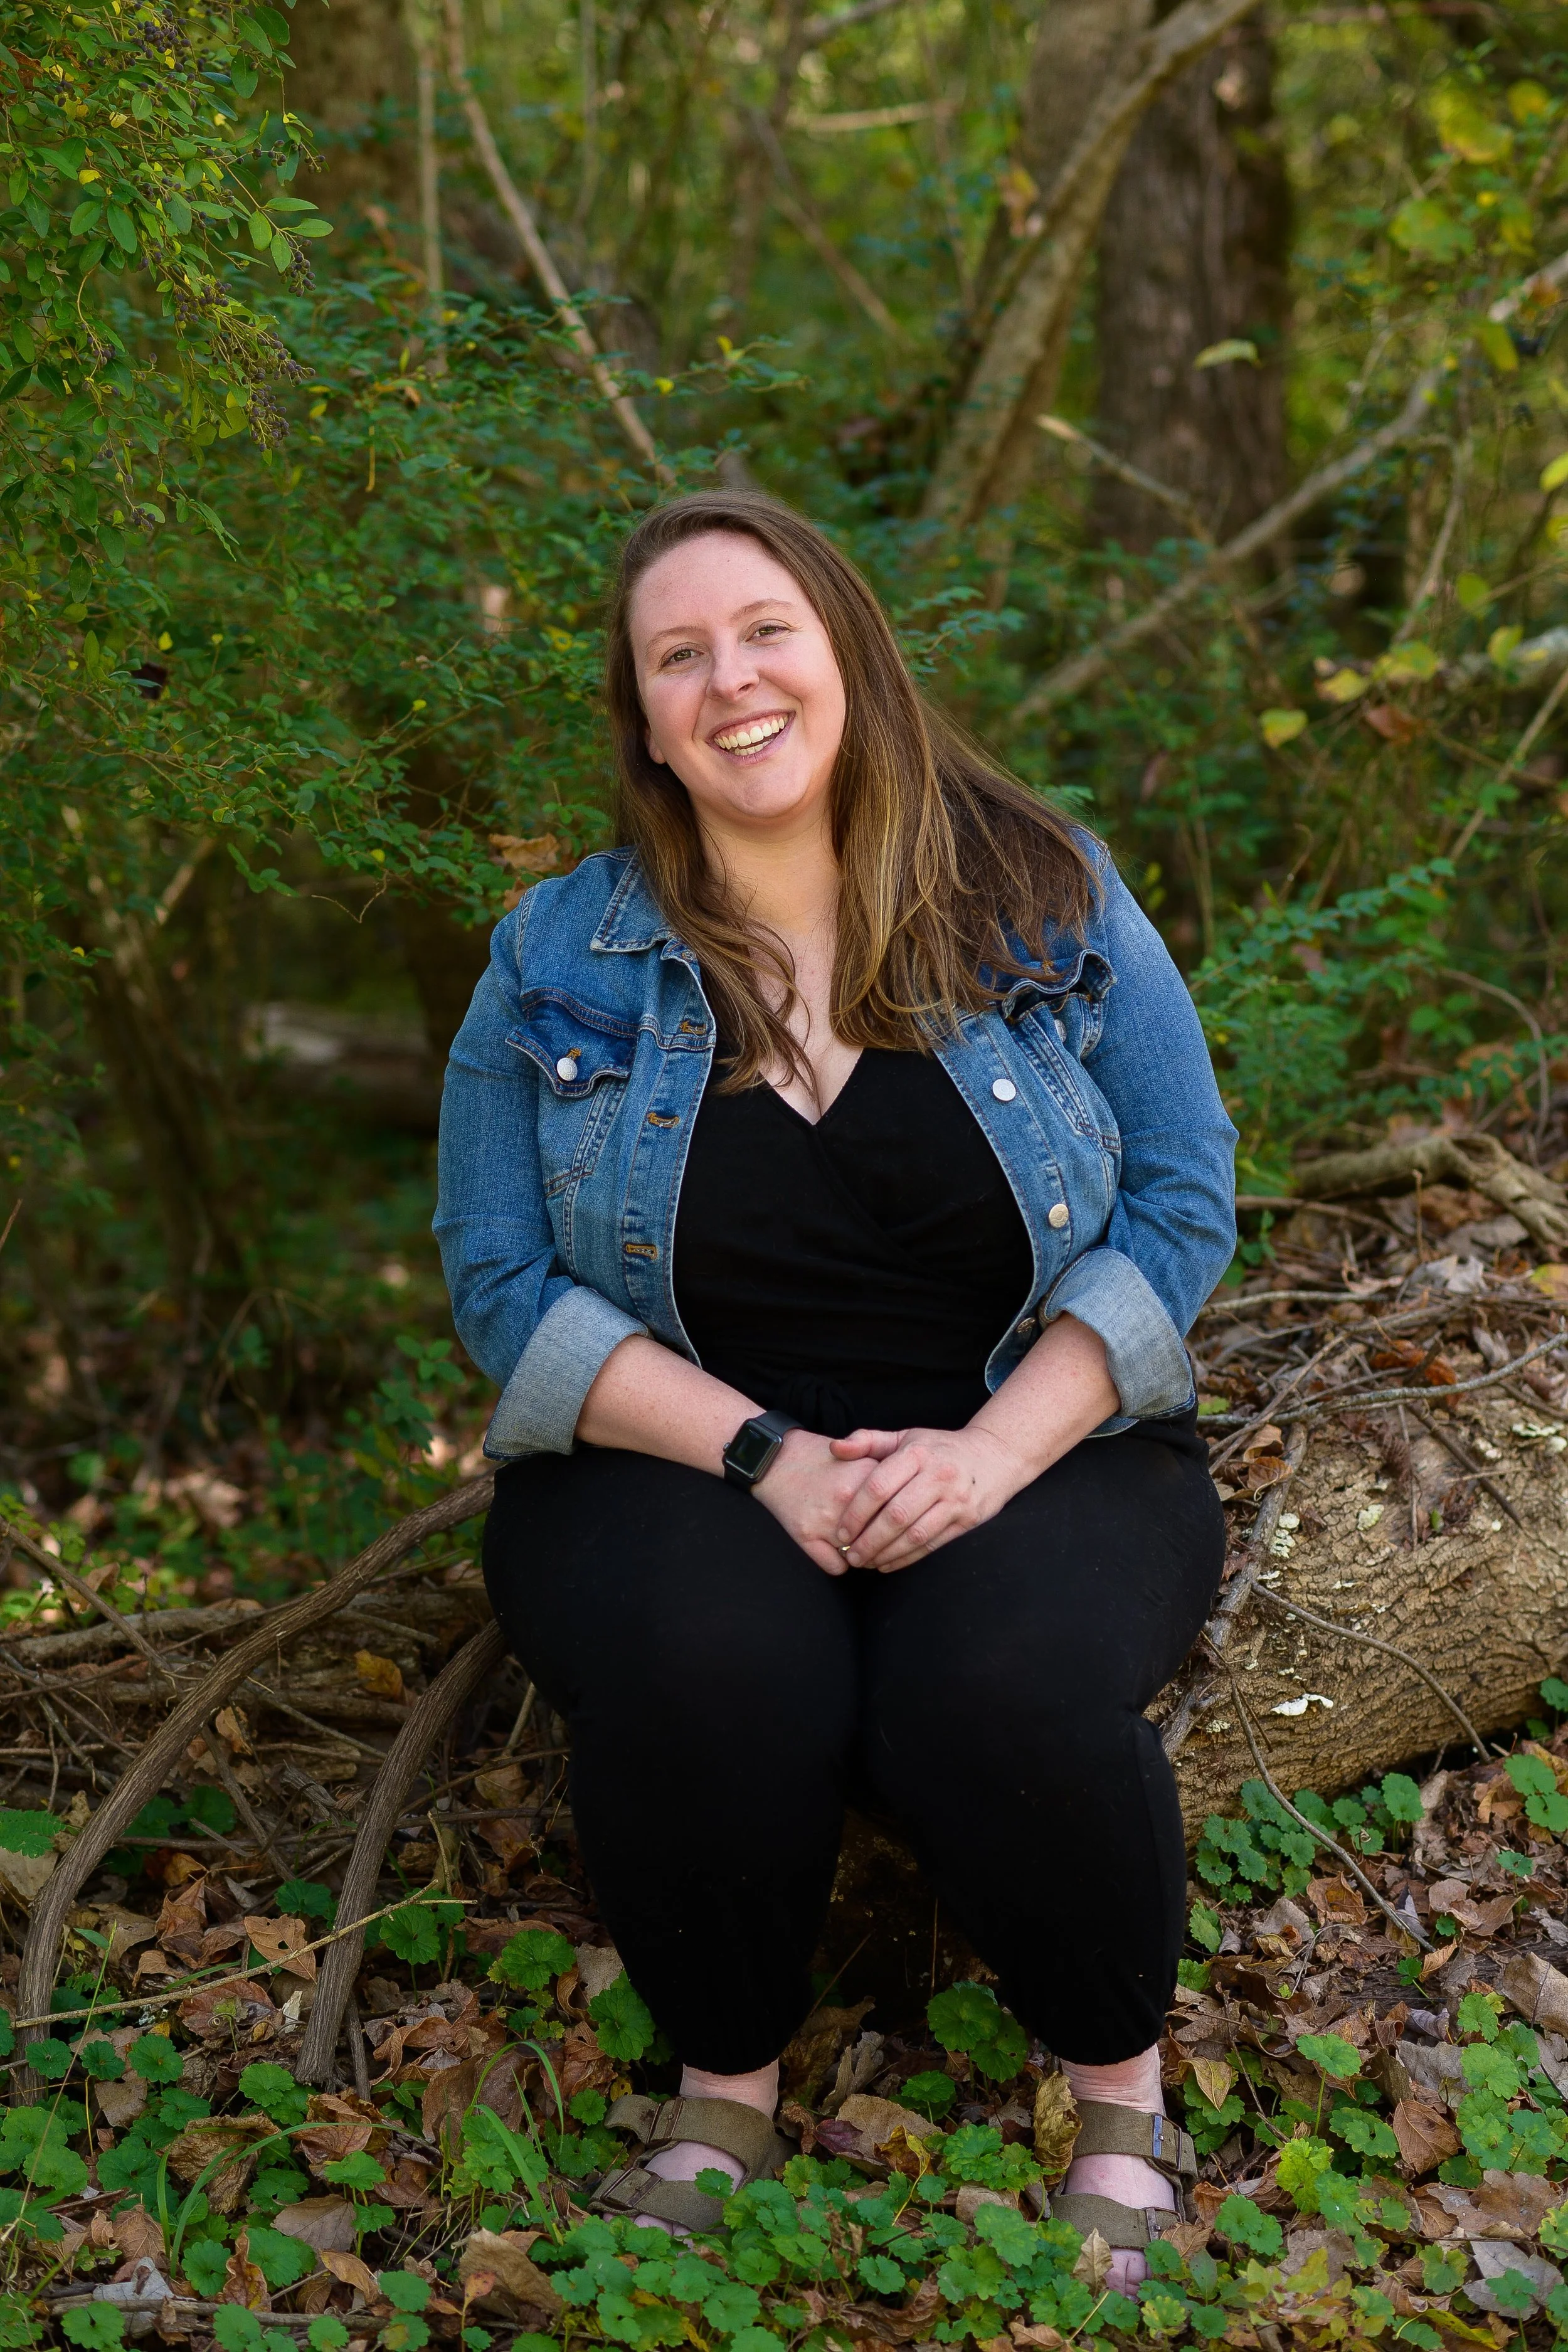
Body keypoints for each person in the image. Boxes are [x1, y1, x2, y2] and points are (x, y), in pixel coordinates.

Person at [435, 489, 1237, 2285]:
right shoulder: (555, 960)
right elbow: (499, 1280)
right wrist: (765, 1458)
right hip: (678, 1448)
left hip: (1041, 1428)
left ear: (847, 652)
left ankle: (1112, 2078)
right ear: (642, 718)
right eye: (679, 654)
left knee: (1003, 1685)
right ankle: (725, 2077)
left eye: (766, 630)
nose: (733, 680)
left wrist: (987, 1454)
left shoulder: (1038, 886)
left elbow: (1184, 1193)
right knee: (711, 1660)